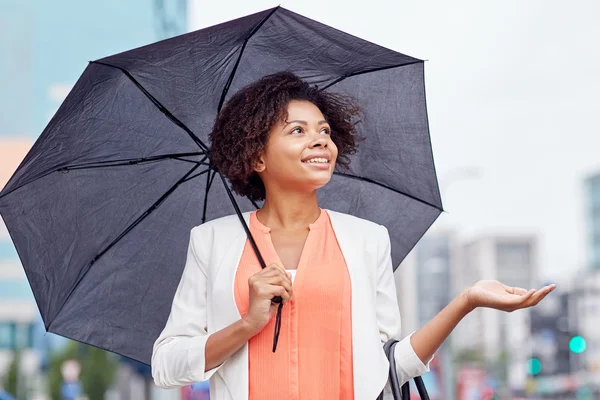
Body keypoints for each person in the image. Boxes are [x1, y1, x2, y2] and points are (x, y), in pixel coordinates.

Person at [151, 72, 556, 399]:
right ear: (256, 155)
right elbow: (166, 365)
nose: (320, 140)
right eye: (297, 130)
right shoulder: (212, 241)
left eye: (324, 130)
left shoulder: (367, 240)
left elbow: (389, 364)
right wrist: (246, 323)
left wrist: (467, 301)